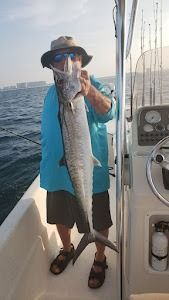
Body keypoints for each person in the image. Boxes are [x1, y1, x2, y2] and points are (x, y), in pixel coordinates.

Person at [40, 36, 116, 289]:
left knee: (99, 220)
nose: (67, 61)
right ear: (53, 66)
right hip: (56, 172)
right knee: (60, 219)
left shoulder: (91, 85)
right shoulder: (52, 92)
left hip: (87, 170)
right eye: (59, 58)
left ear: (81, 60)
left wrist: (89, 91)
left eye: (72, 55)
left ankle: (99, 257)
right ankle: (67, 248)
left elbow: (109, 112)